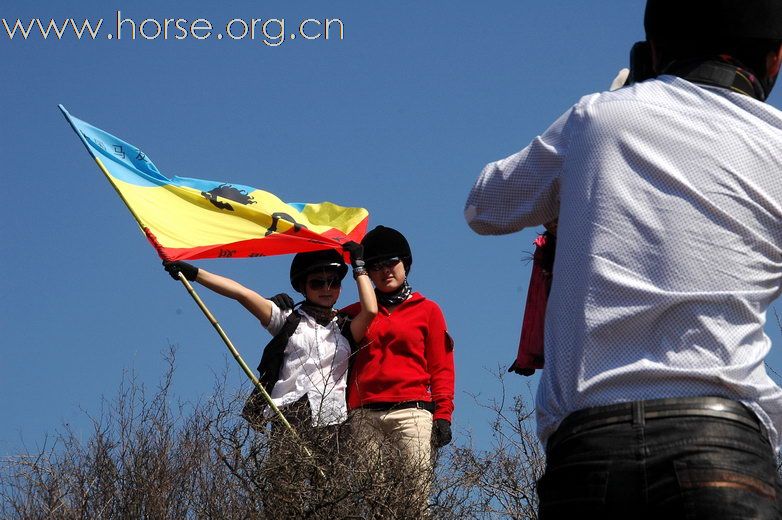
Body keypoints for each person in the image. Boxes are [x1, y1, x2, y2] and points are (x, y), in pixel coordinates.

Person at [465, 1, 782, 517]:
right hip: (725, 447)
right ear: (775, 59)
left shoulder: (598, 118)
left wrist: (619, 107)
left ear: (655, 49)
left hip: (590, 449)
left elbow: (484, 205)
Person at [163, 243, 377, 434]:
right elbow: (242, 294)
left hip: (334, 418)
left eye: (333, 282)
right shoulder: (287, 319)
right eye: (317, 283)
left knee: (332, 479)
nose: (326, 289)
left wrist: (359, 267)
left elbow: (370, 310)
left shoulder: (345, 327)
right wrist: (194, 273)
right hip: (290, 413)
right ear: (303, 287)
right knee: (284, 478)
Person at [343, 225, 455, 508]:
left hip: (412, 414)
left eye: (392, 262)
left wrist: (443, 415)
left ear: (406, 263)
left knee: (414, 502)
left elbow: (441, 367)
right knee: (375, 503)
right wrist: (287, 307)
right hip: (364, 415)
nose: (385, 270)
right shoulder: (355, 313)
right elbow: (314, 322)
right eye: (375, 266)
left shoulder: (428, 310)